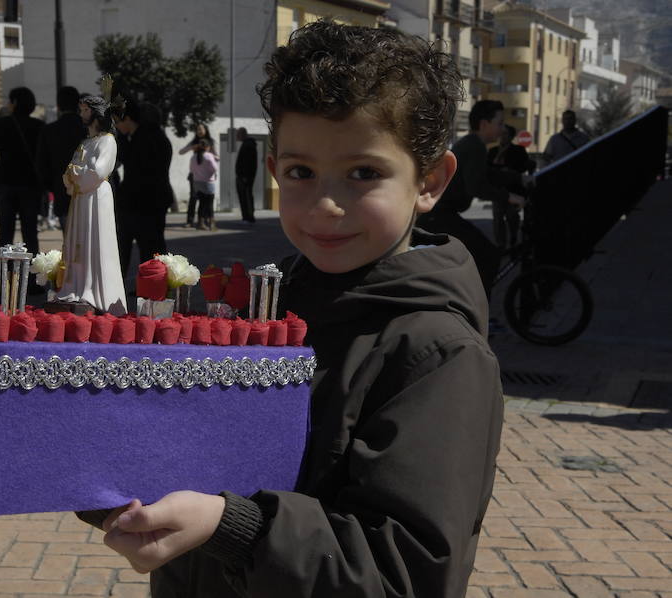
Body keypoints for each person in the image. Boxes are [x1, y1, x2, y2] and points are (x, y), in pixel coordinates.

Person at [82, 21, 504, 598]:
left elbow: (405, 574)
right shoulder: (258, 311)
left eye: (364, 173)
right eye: (303, 173)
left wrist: (232, 528)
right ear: (277, 170)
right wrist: (114, 481)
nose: (327, 205)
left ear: (429, 181)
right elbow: (193, 457)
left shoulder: (438, 355)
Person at [417, 99, 523, 297]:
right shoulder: (476, 146)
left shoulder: (473, 144)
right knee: (488, 255)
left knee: (477, 254)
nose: (502, 129)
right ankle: (480, 317)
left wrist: (518, 178)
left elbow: (487, 173)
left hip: (439, 214)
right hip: (438, 215)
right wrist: (508, 197)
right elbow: (477, 186)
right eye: (499, 123)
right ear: (484, 124)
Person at [55, 93, 127, 316]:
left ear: (96, 114)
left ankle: (93, 290)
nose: (81, 114)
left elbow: (98, 171)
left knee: (93, 241)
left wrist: (76, 172)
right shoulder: (86, 142)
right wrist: (72, 174)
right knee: (79, 241)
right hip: (80, 197)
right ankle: (76, 287)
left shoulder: (107, 140)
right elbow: (72, 170)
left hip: (96, 196)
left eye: (85, 110)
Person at [0, 87, 45, 258]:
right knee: (30, 231)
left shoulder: (1, 124)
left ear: (15, 102)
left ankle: (4, 274)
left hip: (5, 182)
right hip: (31, 184)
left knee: (6, 231)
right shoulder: (39, 126)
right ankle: (33, 276)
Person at [114, 99, 175, 276]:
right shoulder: (162, 138)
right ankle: (152, 283)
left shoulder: (140, 139)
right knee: (154, 246)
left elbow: (130, 164)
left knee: (127, 246)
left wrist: (123, 138)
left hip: (138, 202)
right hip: (157, 200)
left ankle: (138, 284)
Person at [36, 86, 87, 233]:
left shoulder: (49, 130)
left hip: (61, 190)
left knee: (70, 239)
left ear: (58, 106)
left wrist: (52, 186)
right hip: (88, 191)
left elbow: (41, 164)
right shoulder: (88, 129)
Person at [487, 125, 534, 248]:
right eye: (501, 133)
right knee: (498, 219)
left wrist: (509, 171)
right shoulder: (493, 151)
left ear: (511, 136)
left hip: (514, 190)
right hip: (498, 190)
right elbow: (488, 169)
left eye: (506, 134)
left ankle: (513, 237)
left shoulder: (518, 150)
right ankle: (500, 245)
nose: (502, 136)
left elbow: (523, 167)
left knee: (512, 217)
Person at [178, 123, 215, 227]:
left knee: (207, 198)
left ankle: (205, 220)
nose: (199, 131)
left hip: (206, 175)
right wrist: (192, 147)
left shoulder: (210, 142)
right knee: (193, 197)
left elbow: (215, 156)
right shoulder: (194, 141)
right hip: (195, 175)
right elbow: (181, 152)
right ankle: (190, 221)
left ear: (206, 130)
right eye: (197, 129)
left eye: (201, 129)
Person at [189, 138, 218, 231]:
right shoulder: (209, 155)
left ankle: (200, 223)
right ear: (207, 147)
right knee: (210, 204)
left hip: (197, 182)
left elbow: (191, 170)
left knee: (201, 203)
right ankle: (211, 223)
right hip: (208, 182)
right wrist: (209, 175)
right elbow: (214, 168)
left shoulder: (193, 157)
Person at [235, 127, 258, 223]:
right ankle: (246, 217)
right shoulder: (246, 144)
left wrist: (245, 176)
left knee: (246, 196)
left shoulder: (248, 145)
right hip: (243, 176)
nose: (236, 136)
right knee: (244, 196)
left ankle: (249, 217)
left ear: (242, 134)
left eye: (238, 134)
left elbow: (249, 163)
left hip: (245, 177)